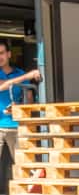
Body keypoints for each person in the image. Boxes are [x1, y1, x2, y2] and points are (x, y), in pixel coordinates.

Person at [0, 40, 41, 172]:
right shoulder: (23, 76)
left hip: (16, 126)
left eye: (1, 53)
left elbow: (29, 101)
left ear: (9, 54)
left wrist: (19, 106)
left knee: (24, 167)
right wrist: (27, 76)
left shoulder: (19, 73)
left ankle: (24, 191)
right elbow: (2, 86)